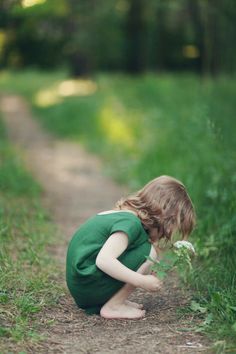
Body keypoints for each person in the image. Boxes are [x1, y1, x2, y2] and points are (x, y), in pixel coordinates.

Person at [66, 175, 195, 319]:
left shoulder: (125, 216)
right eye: (166, 230)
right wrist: (142, 281)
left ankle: (113, 299)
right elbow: (104, 260)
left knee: (147, 251)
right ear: (163, 217)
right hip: (87, 283)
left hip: (83, 285)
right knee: (149, 253)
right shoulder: (131, 223)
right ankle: (114, 306)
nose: (163, 236)